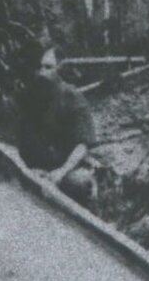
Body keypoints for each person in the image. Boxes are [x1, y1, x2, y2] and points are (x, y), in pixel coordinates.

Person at [13, 43, 99, 201]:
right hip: (36, 169)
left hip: (65, 170)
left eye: (48, 67)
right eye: (40, 67)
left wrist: (61, 172)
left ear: (60, 69)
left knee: (81, 182)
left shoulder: (72, 97)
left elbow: (83, 144)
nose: (42, 73)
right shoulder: (30, 96)